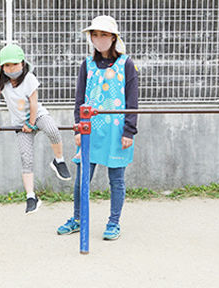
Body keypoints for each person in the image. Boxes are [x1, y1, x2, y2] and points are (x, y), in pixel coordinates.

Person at [57, 15, 139, 240]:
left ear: (113, 37)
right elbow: (79, 98)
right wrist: (77, 128)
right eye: (95, 34)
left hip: (116, 131)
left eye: (104, 34)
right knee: (82, 177)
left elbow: (132, 100)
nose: (99, 38)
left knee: (117, 179)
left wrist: (129, 130)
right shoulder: (87, 64)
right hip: (89, 129)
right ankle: (77, 219)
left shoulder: (126, 64)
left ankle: (113, 222)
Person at [0, 44, 71, 214]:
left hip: (37, 116)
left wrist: (31, 124)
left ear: (23, 64)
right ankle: (31, 196)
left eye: (15, 64)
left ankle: (59, 160)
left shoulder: (29, 78)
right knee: (26, 158)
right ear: (2, 67)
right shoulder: (1, 82)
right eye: (7, 65)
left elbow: (33, 103)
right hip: (19, 124)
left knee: (52, 130)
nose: (11, 68)